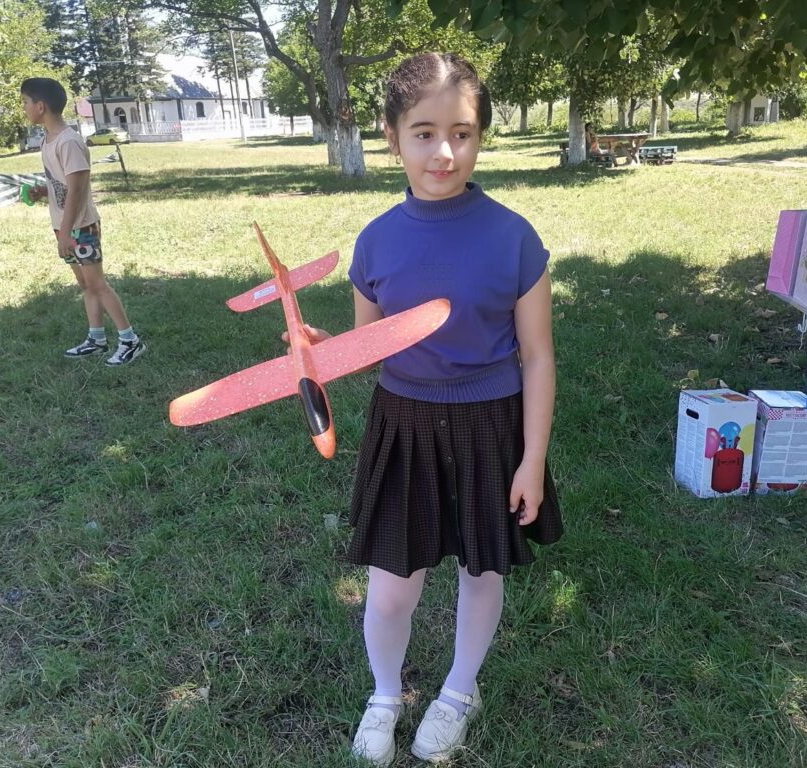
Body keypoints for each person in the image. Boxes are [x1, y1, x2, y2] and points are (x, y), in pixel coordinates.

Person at [297, 53, 562, 765]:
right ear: (392, 137)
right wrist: (324, 350)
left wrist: (532, 460)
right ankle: (385, 695)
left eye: (462, 133)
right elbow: (369, 349)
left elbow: (538, 357)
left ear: (479, 138)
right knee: (390, 590)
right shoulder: (377, 241)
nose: (444, 151)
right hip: (405, 426)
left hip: (491, 426)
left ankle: (457, 693)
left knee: (482, 572)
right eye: (424, 133)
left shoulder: (514, 237)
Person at [20, 77, 146, 365]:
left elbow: (77, 190)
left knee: (98, 284)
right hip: (64, 226)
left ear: (41, 106)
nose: (24, 108)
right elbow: (63, 183)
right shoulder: (48, 140)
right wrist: (43, 191)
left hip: (81, 226)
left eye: (26, 102)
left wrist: (66, 233)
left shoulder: (69, 141)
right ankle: (96, 339)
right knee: (85, 285)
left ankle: (130, 340)